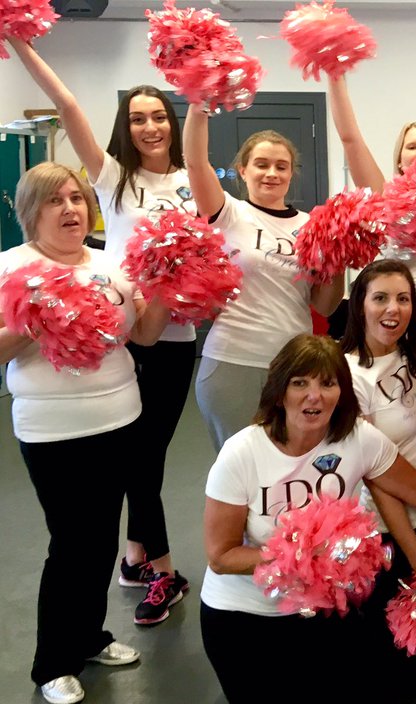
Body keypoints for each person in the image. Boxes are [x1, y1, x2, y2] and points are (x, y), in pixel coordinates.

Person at [8, 38, 193, 623]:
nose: (148, 126)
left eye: (158, 115)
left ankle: (136, 557)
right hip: (113, 328)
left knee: (147, 458)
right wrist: (18, 38)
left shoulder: (195, 179)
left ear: (172, 121)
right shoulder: (112, 176)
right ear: (125, 127)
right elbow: (66, 105)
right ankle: (160, 569)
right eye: (136, 118)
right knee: (140, 462)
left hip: (174, 335)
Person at [199, 334, 416, 702]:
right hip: (246, 619)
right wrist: (307, 557)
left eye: (327, 383)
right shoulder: (241, 453)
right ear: (278, 391)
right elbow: (221, 557)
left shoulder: (359, 439)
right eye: (299, 383)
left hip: (326, 613)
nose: (314, 395)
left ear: (342, 391)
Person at [0, 163, 172, 704]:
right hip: (53, 429)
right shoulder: (13, 267)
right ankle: (52, 663)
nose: (71, 209)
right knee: (71, 544)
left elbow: (143, 333)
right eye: (56, 201)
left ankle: (91, 636)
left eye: (76, 198)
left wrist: (171, 289)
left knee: (101, 541)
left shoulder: (109, 263)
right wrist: (37, 318)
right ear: (32, 211)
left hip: (120, 417)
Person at [183, 105, 345, 451]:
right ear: (243, 170)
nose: (271, 173)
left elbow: (325, 305)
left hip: (295, 367)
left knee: (292, 466)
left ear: (291, 174)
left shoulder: (311, 225)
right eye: (261, 164)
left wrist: (339, 256)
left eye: (281, 166)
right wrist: (199, 104)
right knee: (241, 472)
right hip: (234, 363)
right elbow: (196, 163)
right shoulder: (228, 213)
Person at [340, 259, 416, 671]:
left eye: (403, 299)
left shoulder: (411, 345)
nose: (393, 309)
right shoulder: (350, 376)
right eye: (380, 299)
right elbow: (377, 481)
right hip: (393, 529)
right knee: (392, 659)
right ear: (359, 304)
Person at [328, 73, 416, 309]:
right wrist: (334, 73)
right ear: (400, 161)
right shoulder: (384, 197)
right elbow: (350, 139)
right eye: (412, 146)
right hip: (390, 321)